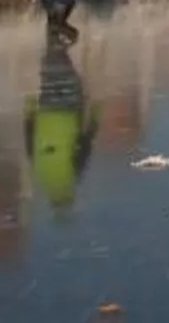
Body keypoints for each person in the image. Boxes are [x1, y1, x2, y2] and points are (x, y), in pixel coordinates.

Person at [24, 41, 101, 215]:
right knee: (52, 76)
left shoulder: (72, 177)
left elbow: (85, 144)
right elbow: (30, 142)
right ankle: (53, 48)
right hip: (46, 107)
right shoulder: (41, 175)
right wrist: (29, 111)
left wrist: (94, 117)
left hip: (70, 108)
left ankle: (61, 47)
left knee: (72, 80)